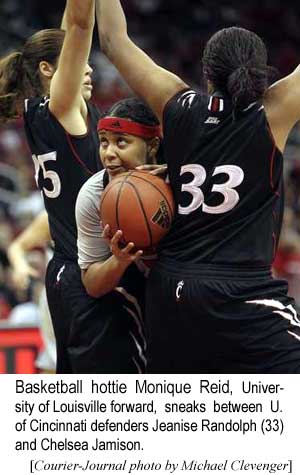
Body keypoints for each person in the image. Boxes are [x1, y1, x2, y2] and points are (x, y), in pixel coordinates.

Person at [97, 1, 300, 373]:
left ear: (207, 74)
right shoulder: (273, 113)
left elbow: (112, 40)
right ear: (259, 74)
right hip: (241, 292)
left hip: (172, 292)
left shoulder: (176, 104)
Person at [0, 0, 103, 373]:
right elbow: (78, 24)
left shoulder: (39, 113)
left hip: (63, 269)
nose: (89, 68)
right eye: (81, 60)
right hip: (88, 270)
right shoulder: (65, 106)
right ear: (48, 70)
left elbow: (68, 32)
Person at [75, 97, 162, 373]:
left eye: (121, 142)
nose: (109, 153)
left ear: (153, 146)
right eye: (103, 142)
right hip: (136, 303)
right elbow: (92, 283)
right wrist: (119, 260)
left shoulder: (184, 178)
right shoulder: (93, 194)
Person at [7, 210, 56, 373]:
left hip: (97, 296)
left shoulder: (106, 207)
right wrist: (21, 267)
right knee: (54, 365)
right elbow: (16, 247)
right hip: (56, 300)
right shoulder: (49, 217)